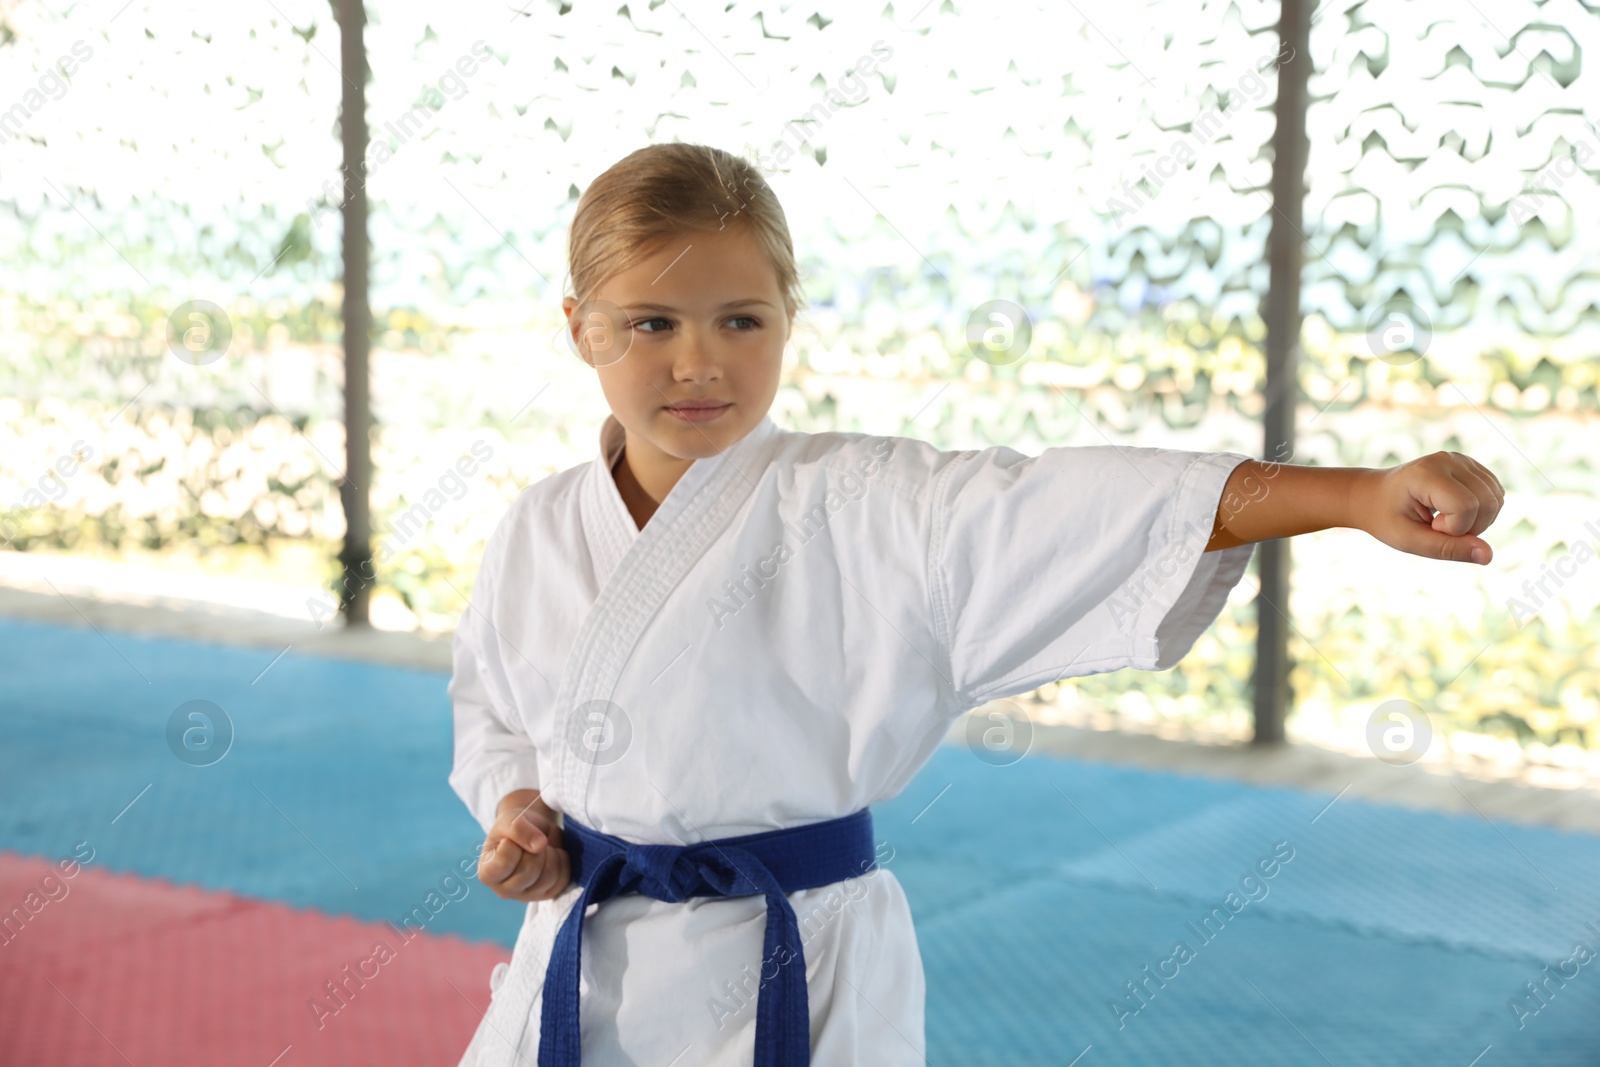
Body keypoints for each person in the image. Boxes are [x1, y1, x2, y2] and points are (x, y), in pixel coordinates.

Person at [448, 142, 1504, 1067]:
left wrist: (1352, 495)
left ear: (786, 321)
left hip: (792, 965)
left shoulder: (862, 502)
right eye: (650, 322)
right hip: (579, 964)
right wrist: (517, 811)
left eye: (740, 319)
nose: (700, 360)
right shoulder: (538, 527)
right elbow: (493, 710)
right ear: (580, 326)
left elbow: (1067, 505)